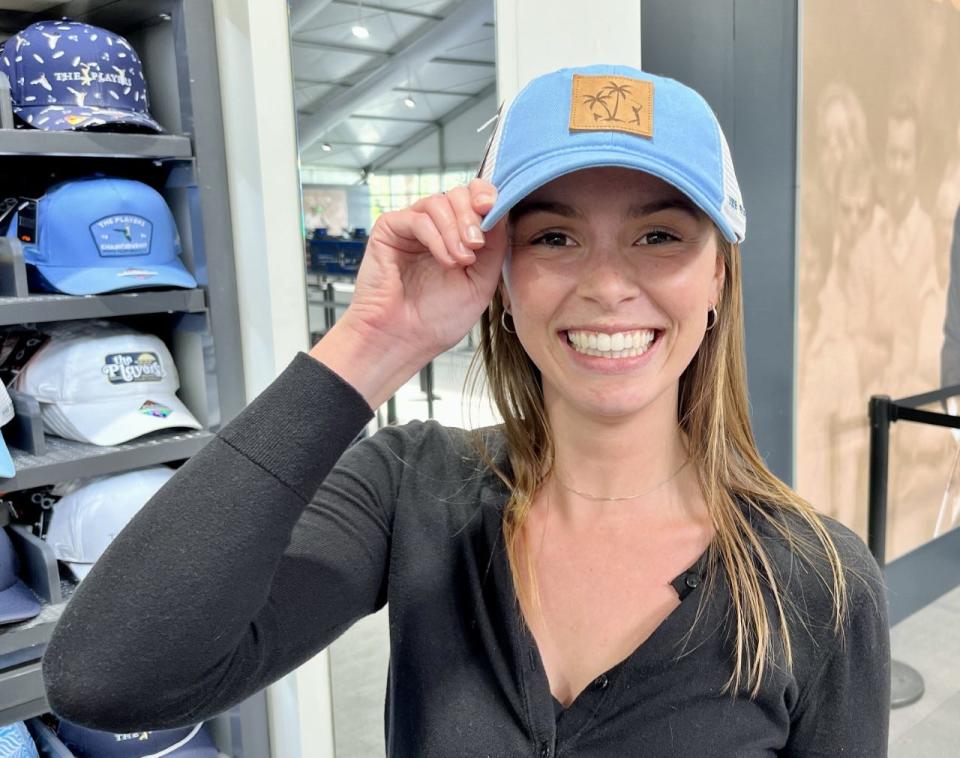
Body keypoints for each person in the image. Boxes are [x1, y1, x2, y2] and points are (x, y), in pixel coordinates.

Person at [40, 65, 890, 756]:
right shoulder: (413, 487)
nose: (605, 284)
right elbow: (110, 676)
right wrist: (370, 345)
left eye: (659, 236)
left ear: (717, 279)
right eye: (552, 237)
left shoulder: (819, 582)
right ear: (503, 281)